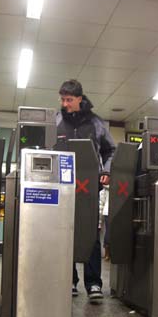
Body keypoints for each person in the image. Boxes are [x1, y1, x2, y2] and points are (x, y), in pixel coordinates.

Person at [56, 79, 115, 302]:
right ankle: (69, 280)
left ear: (80, 99)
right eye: (62, 99)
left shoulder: (96, 122)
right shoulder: (57, 119)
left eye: (69, 99)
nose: (65, 103)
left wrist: (107, 171)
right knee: (64, 231)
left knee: (90, 233)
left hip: (89, 186)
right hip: (62, 186)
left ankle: (93, 284)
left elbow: (111, 150)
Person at [99, 184, 110, 261]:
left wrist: (99, 222)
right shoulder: (104, 191)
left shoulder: (103, 191)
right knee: (109, 233)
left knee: (108, 233)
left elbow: (101, 206)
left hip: (107, 212)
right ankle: (107, 253)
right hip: (108, 212)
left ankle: (107, 253)